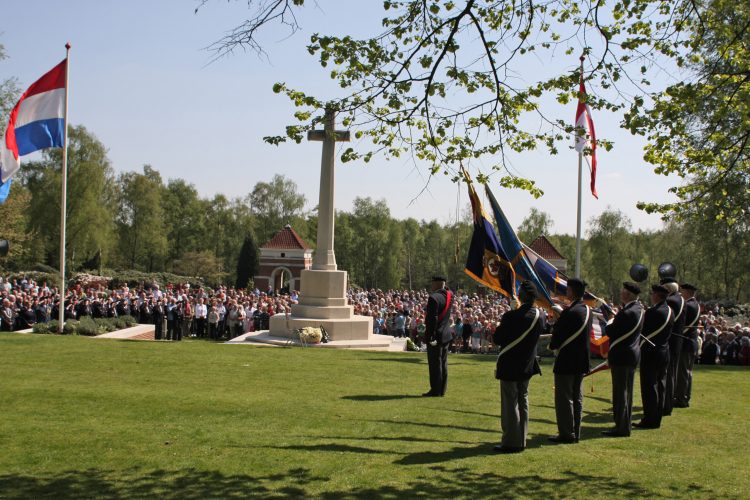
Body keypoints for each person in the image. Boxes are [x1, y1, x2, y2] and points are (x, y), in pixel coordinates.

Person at [493, 281, 545, 453]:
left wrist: (511, 313)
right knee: (523, 401)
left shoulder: (511, 316)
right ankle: (521, 439)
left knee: (510, 404)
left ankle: (510, 441)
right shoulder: (540, 315)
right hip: (527, 363)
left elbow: (498, 338)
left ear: (522, 296)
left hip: (510, 363)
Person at [548, 278, 591, 444]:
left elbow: (558, 335)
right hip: (581, 361)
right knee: (577, 397)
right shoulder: (587, 309)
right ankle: (576, 431)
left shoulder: (570, 312)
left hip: (567, 360)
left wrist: (553, 344)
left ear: (571, 291)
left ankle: (566, 433)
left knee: (564, 398)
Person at [602, 282, 644, 437]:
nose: (621, 293)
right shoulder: (638, 309)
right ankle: (624, 425)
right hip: (631, 355)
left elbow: (610, 331)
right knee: (626, 392)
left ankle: (621, 427)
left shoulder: (626, 313)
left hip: (622, 356)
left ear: (627, 295)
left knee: (620, 394)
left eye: (623, 292)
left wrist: (611, 319)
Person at [636, 284, 674, 429]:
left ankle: (650, 418)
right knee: (661, 385)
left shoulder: (653, 312)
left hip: (651, 353)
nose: (651, 296)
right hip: (664, 352)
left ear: (657, 296)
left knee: (649, 386)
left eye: (652, 293)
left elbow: (643, 329)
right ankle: (656, 417)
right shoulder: (670, 311)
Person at [422, 276, 454, 397]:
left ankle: (435, 390)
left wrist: (428, 336)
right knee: (443, 363)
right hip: (446, 334)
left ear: (435, 284)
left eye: (432, 283)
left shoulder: (433, 298)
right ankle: (442, 389)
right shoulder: (450, 295)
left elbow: (431, 320)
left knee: (435, 364)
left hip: (436, 335)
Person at [661, 278, 685, 417]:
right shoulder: (680, 300)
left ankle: (666, 404)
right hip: (677, 341)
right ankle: (667, 402)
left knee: (668, 374)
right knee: (671, 374)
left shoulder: (671, 301)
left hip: (670, 341)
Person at [675, 283, 700, 408]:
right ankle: (685, 396)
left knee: (682, 372)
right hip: (691, 342)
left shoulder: (688, 305)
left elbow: (681, 324)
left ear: (687, 292)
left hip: (685, 342)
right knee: (687, 372)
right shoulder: (695, 304)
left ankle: (681, 398)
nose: (680, 294)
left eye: (682, 291)